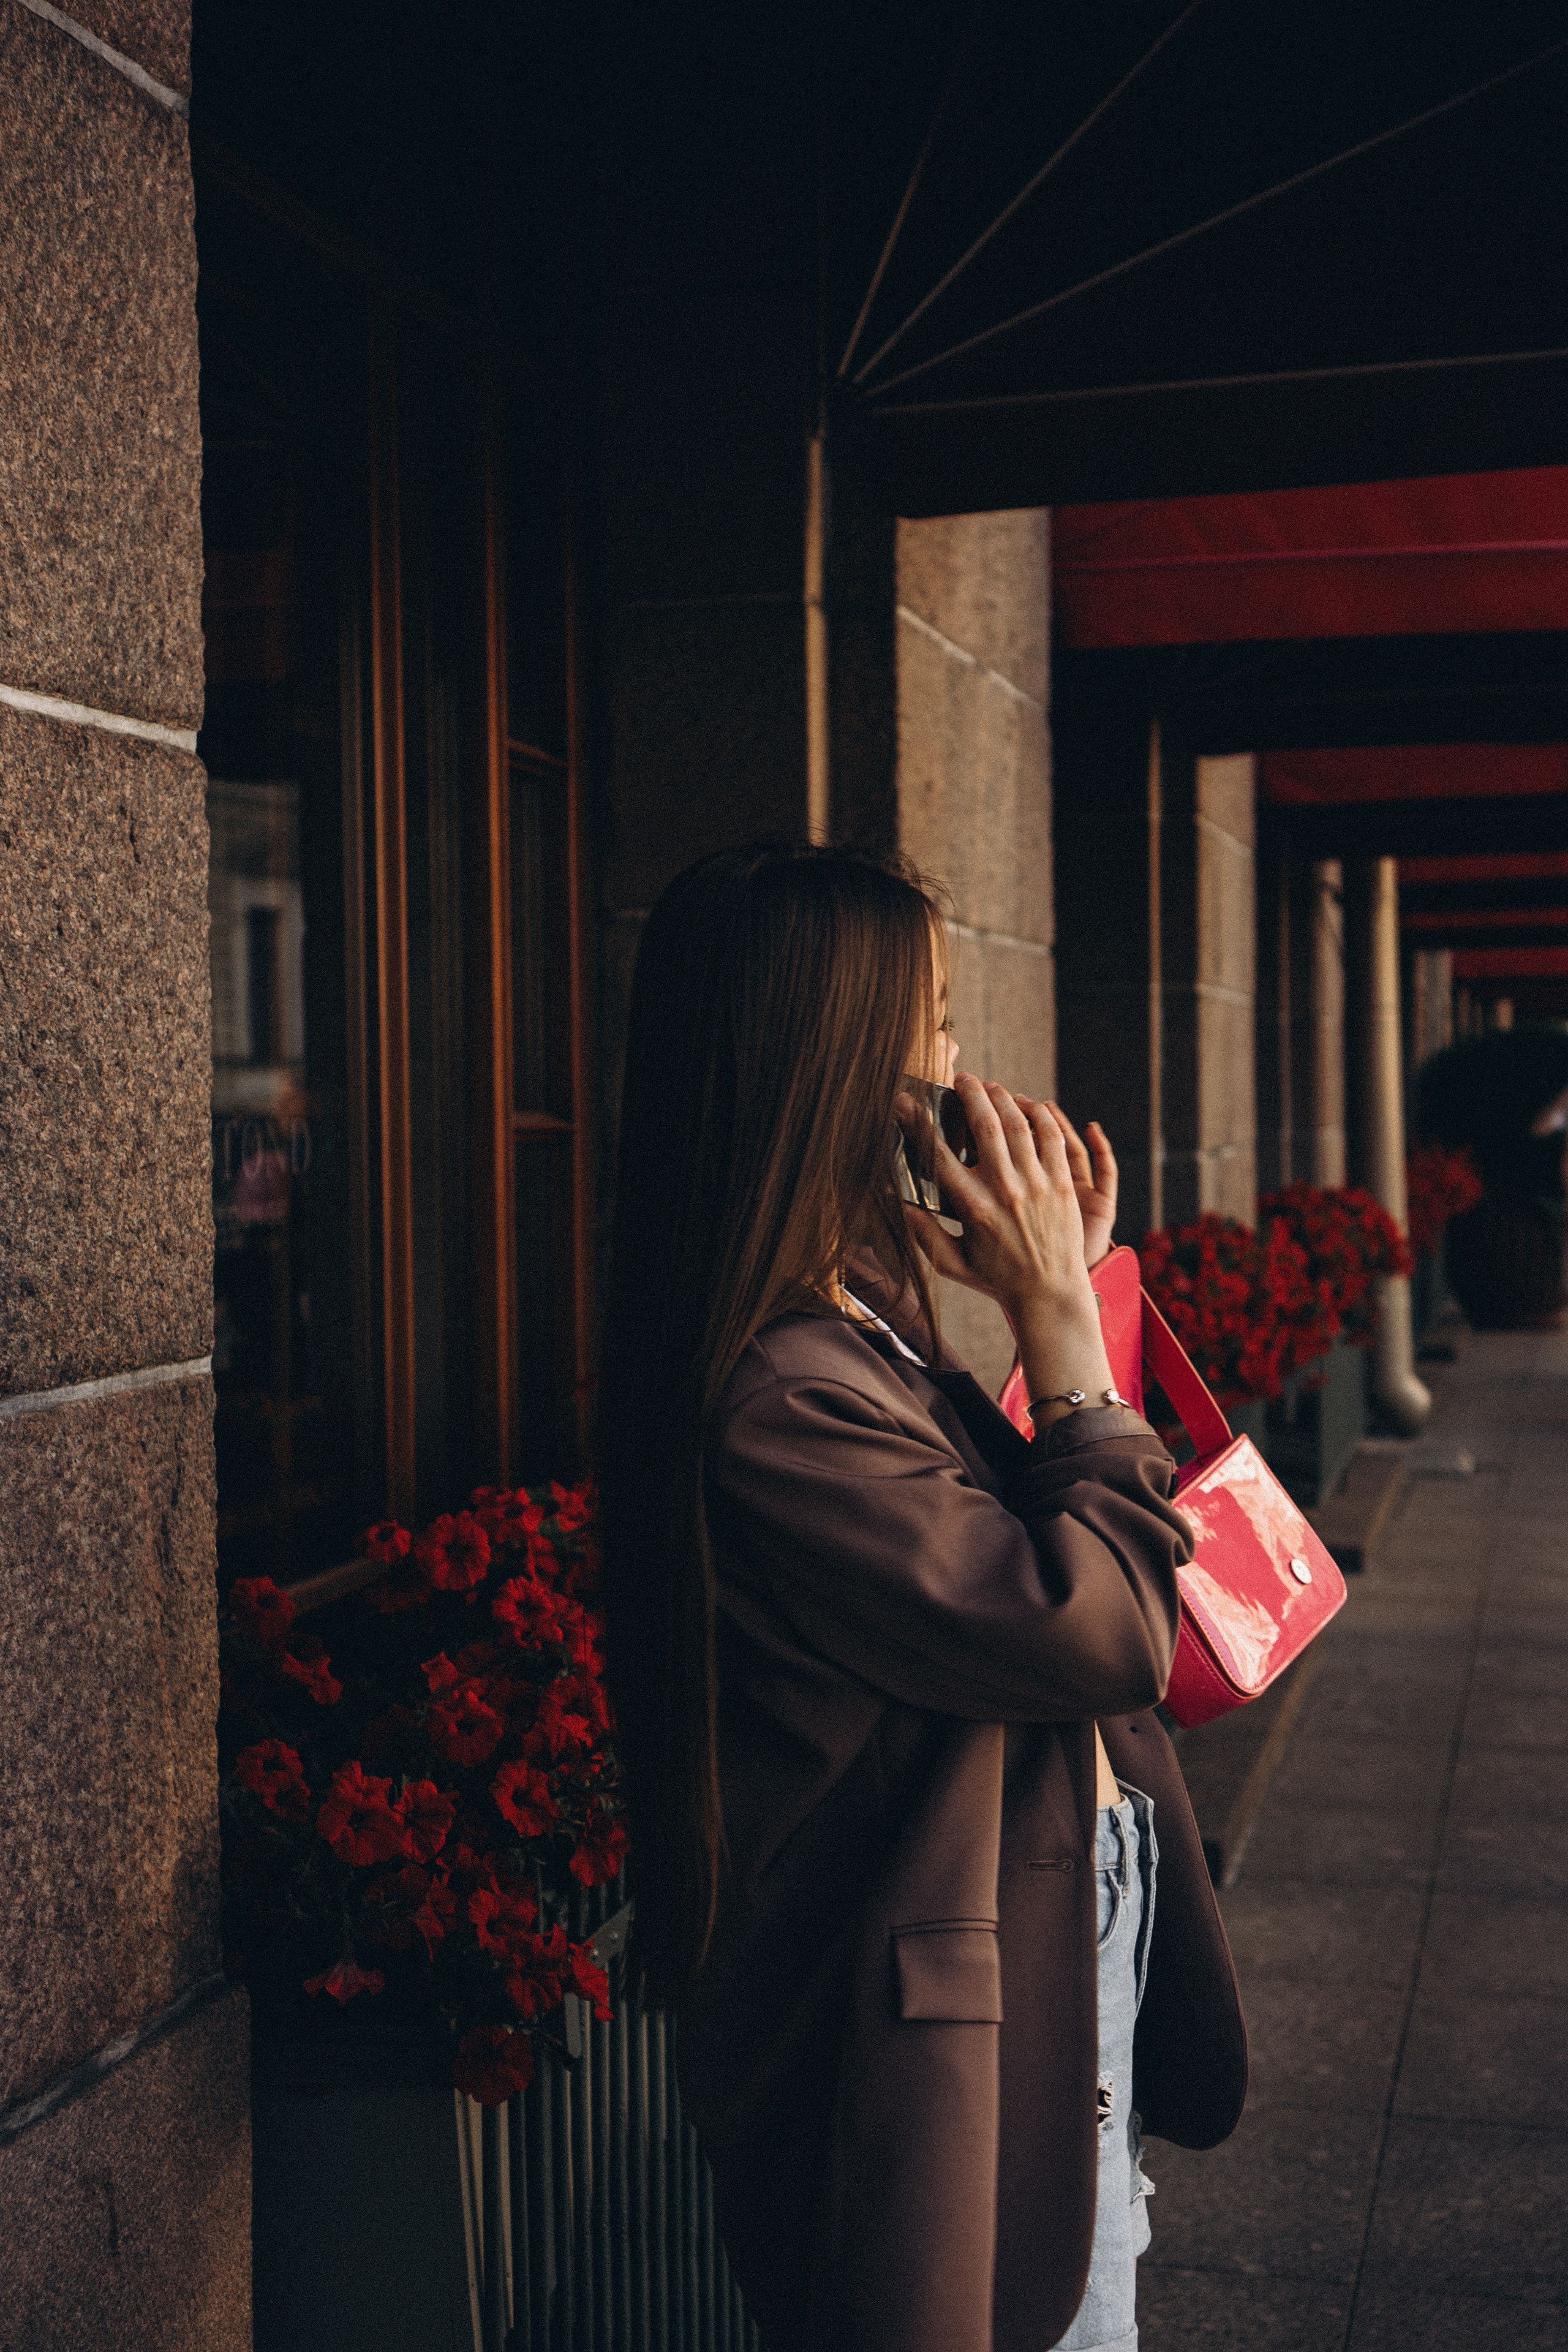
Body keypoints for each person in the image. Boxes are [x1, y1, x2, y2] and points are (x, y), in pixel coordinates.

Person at [600, 844, 1246, 2352]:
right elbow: (1096, 1626)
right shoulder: (781, 1398)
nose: (959, 1062)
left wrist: (1060, 1289)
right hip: (957, 1978)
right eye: (937, 1019)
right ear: (841, 1067)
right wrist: (1058, 1330)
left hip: (1038, 1928)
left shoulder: (858, 1331)